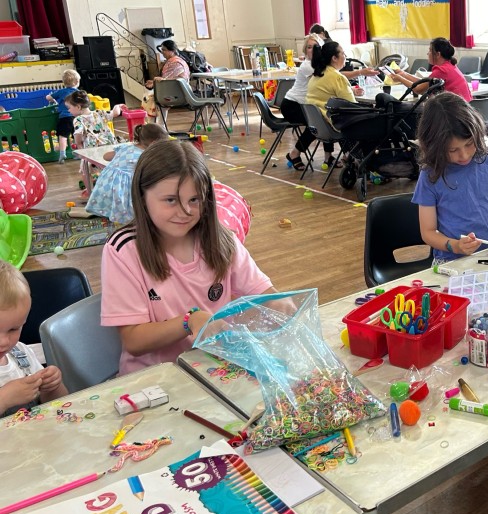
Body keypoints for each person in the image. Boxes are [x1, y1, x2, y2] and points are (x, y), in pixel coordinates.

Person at [100, 140, 275, 375]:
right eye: (171, 200)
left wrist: (281, 306)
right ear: (142, 197)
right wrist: (189, 321)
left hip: (217, 370)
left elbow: (266, 296)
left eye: (195, 200)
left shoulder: (220, 239)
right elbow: (134, 341)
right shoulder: (124, 250)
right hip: (156, 379)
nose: (185, 212)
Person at [412, 92, 488, 262]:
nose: (464, 155)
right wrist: (454, 245)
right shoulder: (431, 175)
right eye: (452, 150)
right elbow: (428, 232)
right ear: (434, 147)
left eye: (469, 144)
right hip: (451, 262)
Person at [0, 261, 67, 416]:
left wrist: (52, 387)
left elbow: (59, 408)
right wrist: (3, 400)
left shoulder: (22, 354)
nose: (3, 342)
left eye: (13, 329)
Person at [86, 124, 169, 224]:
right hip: (121, 188)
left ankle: (107, 213)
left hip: (105, 183)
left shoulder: (126, 147)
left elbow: (106, 156)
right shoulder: (145, 156)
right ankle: (124, 219)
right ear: (153, 143)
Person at [306, 41, 365, 168]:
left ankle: (351, 155)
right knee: (373, 122)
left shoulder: (316, 75)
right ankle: (363, 161)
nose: (345, 56)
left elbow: (329, 94)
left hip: (320, 125)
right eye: (343, 53)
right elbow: (352, 106)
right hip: (335, 124)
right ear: (334, 58)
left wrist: (352, 90)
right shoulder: (337, 77)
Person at [280, 34, 319, 171]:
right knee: (316, 126)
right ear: (305, 50)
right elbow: (327, 77)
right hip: (292, 105)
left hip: (304, 105)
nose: (312, 50)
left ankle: (329, 156)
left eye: (315, 47)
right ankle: (294, 153)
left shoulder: (320, 65)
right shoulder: (307, 66)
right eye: (309, 47)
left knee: (325, 119)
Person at [389, 37, 471, 101]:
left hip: (454, 113)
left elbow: (418, 89)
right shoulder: (449, 65)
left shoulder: (441, 71)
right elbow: (425, 82)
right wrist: (404, 74)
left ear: (438, 54)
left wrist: (400, 78)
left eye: (430, 51)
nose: (428, 53)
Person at [45, 69, 81, 164]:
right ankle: (80, 153)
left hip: (64, 118)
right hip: (76, 118)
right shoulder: (78, 92)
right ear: (77, 82)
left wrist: (51, 97)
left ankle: (62, 154)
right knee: (77, 135)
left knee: (63, 136)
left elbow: (48, 98)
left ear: (64, 82)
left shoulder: (61, 92)